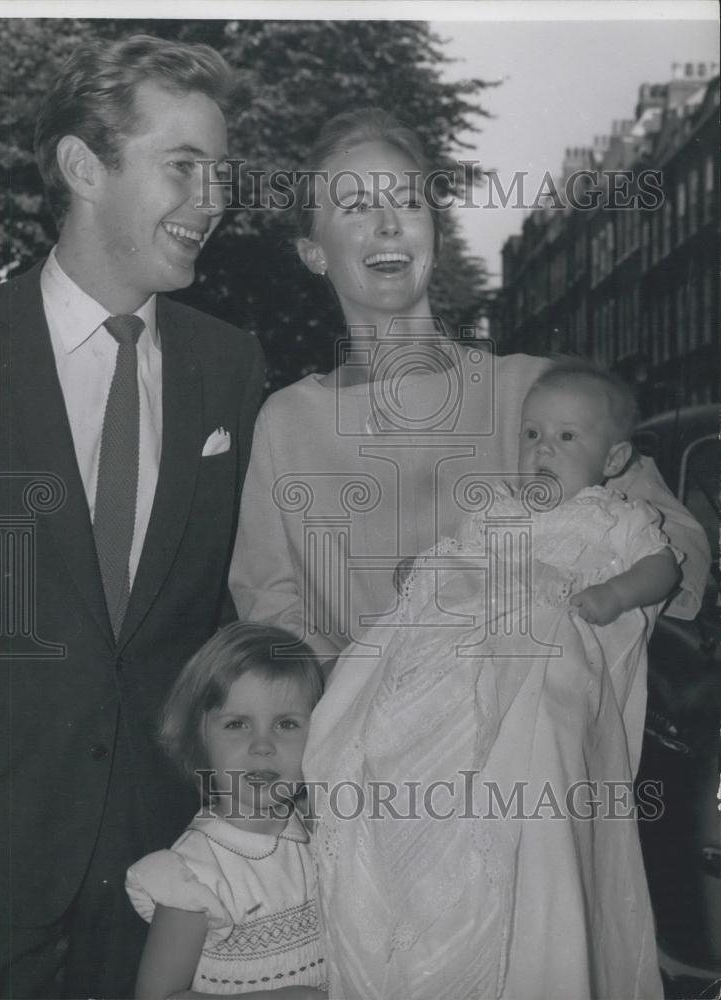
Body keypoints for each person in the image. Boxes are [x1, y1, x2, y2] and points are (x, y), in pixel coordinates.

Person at [0, 35, 264, 999]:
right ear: (82, 167)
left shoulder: (229, 367)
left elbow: (222, 612)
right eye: (183, 167)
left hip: (162, 878)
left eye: (222, 171)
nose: (215, 198)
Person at [229, 109, 709, 665]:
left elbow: (680, 551)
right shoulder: (286, 422)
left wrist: (550, 595)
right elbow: (269, 607)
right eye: (357, 207)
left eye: (409, 202)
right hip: (356, 738)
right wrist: (355, 691)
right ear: (314, 253)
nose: (389, 224)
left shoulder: (538, 391)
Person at [304, 361, 681, 999]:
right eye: (531, 435)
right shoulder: (494, 513)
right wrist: (420, 575)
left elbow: (663, 569)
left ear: (614, 458)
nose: (542, 450)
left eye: (567, 438)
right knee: (391, 737)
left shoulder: (614, 518)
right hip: (457, 663)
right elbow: (450, 562)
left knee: (524, 790)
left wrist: (616, 594)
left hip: (542, 666)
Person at [125, 622, 327, 999]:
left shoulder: (316, 837)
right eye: (237, 724)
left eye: (286, 724)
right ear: (199, 736)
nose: (262, 745)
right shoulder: (197, 873)